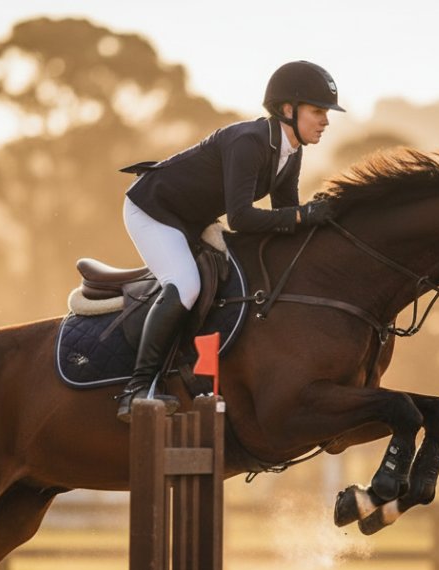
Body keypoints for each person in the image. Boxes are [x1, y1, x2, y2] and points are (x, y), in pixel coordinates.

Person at [115, 60, 344, 422]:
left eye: (326, 112)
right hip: (154, 208)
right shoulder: (249, 142)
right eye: (318, 111)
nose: (326, 121)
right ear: (288, 109)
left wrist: (319, 221)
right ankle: (138, 388)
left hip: (193, 218)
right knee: (186, 285)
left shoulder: (291, 151)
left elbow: (285, 216)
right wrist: (302, 215)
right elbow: (242, 219)